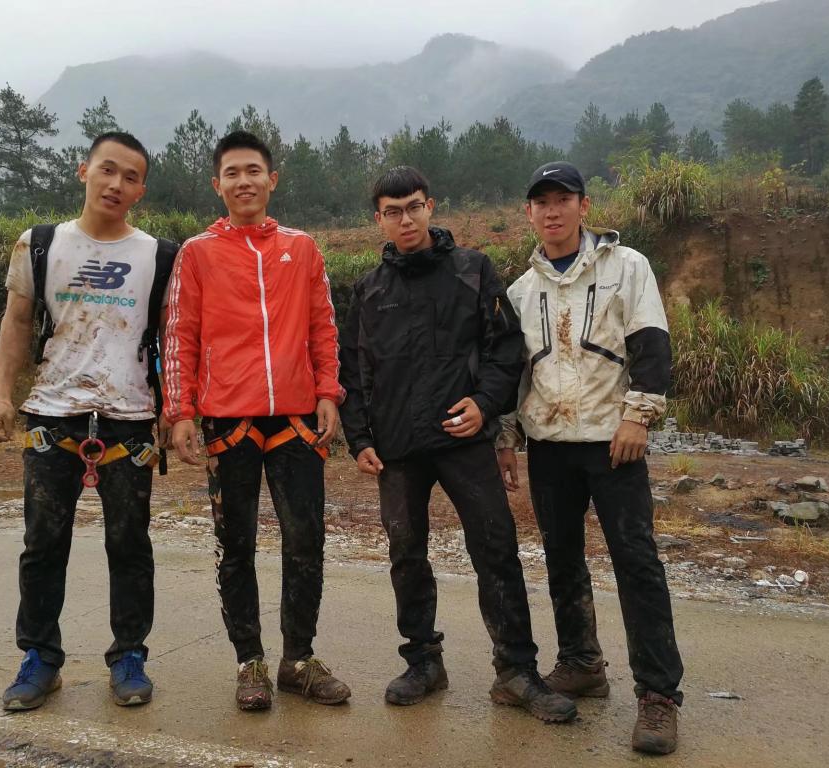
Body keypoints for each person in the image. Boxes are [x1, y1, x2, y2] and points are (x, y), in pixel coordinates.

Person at [337, 166, 577, 723]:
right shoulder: (371, 290)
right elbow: (353, 369)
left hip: (462, 436)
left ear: (430, 207)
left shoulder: (472, 270)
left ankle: (516, 670)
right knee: (406, 554)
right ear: (379, 219)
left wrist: (485, 404)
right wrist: (359, 438)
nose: (405, 219)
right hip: (397, 446)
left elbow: (505, 347)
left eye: (414, 207)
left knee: (496, 548)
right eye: (393, 211)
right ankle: (423, 661)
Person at [496, 160, 684, 754]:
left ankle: (658, 695)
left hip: (614, 443)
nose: (552, 211)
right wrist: (507, 437)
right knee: (562, 559)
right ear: (529, 213)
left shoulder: (626, 267)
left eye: (563, 199)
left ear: (584, 206)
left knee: (636, 562)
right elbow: (514, 373)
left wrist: (638, 415)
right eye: (541, 202)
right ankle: (581, 663)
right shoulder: (521, 291)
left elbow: (651, 344)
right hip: (550, 446)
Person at [163, 130, 350, 711]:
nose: (244, 181)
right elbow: (180, 334)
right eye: (232, 173)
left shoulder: (303, 248)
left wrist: (329, 391)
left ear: (273, 179)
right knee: (235, 544)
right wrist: (180, 410)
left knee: (305, 539)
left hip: (297, 418)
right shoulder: (197, 253)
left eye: (253, 171)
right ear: (216, 184)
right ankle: (250, 663)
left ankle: (298, 660)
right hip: (227, 420)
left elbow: (323, 325)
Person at [0, 132, 170, 710]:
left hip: (129, 418)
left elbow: (174, 338)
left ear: (141, 190)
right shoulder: (40, 244)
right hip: (52, 413)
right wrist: (1, 397)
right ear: (83, 170)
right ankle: (40, 659)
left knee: (130, 544)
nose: (116, 184)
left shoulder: (161, 256)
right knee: (43, 543)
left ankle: (129, 655)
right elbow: (17, 322)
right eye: (107, 170)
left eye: (131, 177)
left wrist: (174, 410)